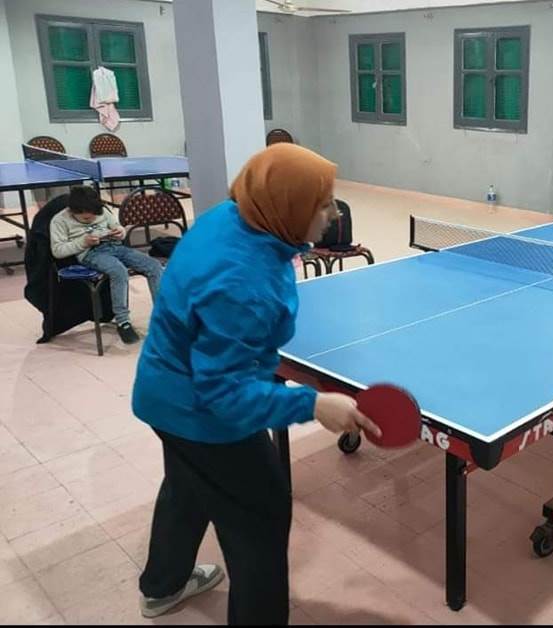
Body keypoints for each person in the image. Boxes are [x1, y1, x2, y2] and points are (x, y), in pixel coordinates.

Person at [131, 144, 381, 625]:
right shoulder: (243, 284)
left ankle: (162, 585)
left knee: (188, 484)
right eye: (323, 204)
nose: (334, 214)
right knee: (260, 518)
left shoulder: (232, 216)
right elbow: (224, 396)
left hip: (162, 391)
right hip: (198, 411)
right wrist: (312, 405)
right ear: (288, 206)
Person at [49, 186, 164, 344]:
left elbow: (118, 227)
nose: (89, 218)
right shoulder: (59, 220)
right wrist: (83, 242)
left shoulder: (103, 210)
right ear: (73, 210)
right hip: (91, 253)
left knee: (154, 266)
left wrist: (120, 232)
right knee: (118, 271)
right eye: (84, 217)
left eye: (93, 214)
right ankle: (123, 322)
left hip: (116, 247)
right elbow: (57, 250)